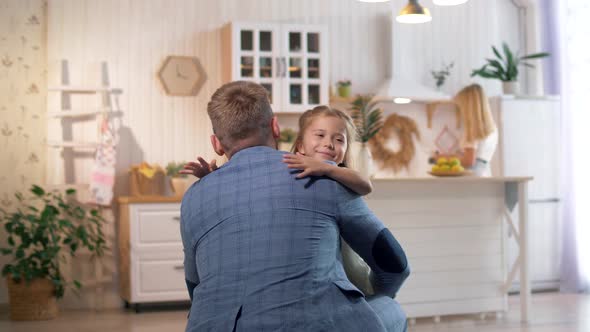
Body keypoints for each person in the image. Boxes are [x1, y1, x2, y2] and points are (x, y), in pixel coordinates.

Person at [180, 80, 410, 331]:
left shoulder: (193, 197)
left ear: (216, 144)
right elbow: (395, 266)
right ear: (275, 127)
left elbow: (196, 285)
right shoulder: (322, 176)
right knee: (391, 310)